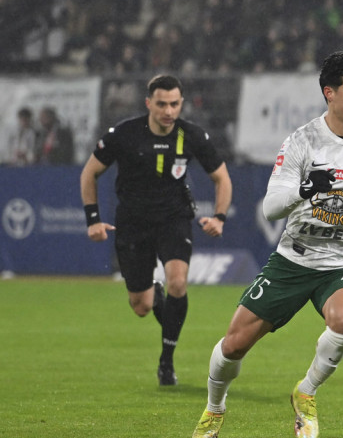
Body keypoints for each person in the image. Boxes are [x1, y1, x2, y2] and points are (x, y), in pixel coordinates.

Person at [191, 51, 343, 438]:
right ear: (329, 93)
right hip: (293, 259)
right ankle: (215, 408)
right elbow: (271, 205)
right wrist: (306, 189)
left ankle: (307, 391)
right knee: (233, 346)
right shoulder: (302, 141)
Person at [80, 75, 232, 386]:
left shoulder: (191, 135)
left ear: (181, 104)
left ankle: (166, 360)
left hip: (173, 220)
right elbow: (89, 173)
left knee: (178, 282)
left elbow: (222, 178)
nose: (168, 110)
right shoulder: (124, 134)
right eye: (161, 104)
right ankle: (156, 296)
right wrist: (93, 219)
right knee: (141, 307)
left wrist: (219, 217)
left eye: (174, 104)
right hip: (133, 224)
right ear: (149, 103)